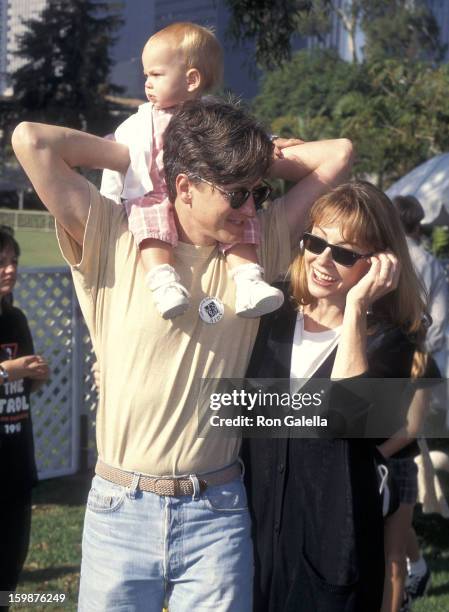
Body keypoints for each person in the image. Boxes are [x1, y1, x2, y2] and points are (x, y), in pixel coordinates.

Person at [12, 98, 353, 611]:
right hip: (121, 508)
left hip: (218, 513)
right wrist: (142, 153)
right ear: (186, 186)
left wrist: (257, 160)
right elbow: (31, 141)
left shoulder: (258, 250)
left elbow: (339, 155)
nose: (250, 208)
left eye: (258, 191)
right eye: (236, 193)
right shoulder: (116, 237)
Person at [242, 181, 429, 612]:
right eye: (316, 242)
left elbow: (345, 417)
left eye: (345, 253)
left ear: (380, 264)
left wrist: (357, 308)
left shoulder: (391, 340)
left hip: (330, 556)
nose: (323, 260)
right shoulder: (269, 312)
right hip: (250, 542)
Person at [101, 22, 284, 320]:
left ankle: (249, 281)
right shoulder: (139, 123)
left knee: (243, 218)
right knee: (150, 222)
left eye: (156, 75)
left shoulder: (214, 116)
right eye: (146, 75)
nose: (147, 83)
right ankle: (163, 282)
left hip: (213, 196)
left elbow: (240, 139)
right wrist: (110, 200)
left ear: (192, 79)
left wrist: (268, 145)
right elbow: (116, 162)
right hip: (158, 194)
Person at [392, 194, 449, 604]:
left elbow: (436, 326)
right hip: (419, 370)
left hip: (407, 372)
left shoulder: (394, 257)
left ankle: (415, 566)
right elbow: (441, 326)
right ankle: (417, 562)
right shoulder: (427, 261)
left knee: (407, 463)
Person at [0, 227, 49, 603]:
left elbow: (26, 388)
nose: (10, 270)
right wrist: (8, 371)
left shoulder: (16, 319)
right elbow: (9, 374)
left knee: (10, 569)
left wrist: (34, 377)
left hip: (16, 466)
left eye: (13, 262)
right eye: (1, 263)